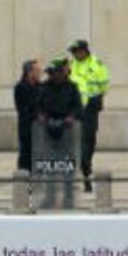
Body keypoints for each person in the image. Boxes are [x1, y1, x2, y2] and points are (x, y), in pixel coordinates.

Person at [37, 58, 83, 208]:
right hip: (48, 130)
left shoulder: (72, 88)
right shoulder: (43, 87)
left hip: (67, 131)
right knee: (50, 166)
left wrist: (71, 116)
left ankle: (68, 199)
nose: (52, 76)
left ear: (61, 73)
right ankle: (50, 198)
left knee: (67, 167)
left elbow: (78, 108)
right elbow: (36, 107)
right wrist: (41, 116)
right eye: (50, 73)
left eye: (54, 72)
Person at [68, 39, 108, 191]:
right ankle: (76, 177)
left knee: (88, 143)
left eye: (76, 51)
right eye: (73, 52)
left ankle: (86, 173)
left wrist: (96, 99)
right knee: (72, 144)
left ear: (84, 50)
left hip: (90, 110)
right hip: (75, 110)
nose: (74, 54)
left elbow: (104, 85)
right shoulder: (71, 65)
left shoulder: (96, 64)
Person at [14, 59, 42, 174]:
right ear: (29, 72)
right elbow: (22, 108)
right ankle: (24, 177)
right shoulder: (20, 87)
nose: (39, 73)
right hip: (26, 126)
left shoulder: (41, 87)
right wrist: (35, 114)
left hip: (40, 127)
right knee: (25, 152)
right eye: (37, 71)